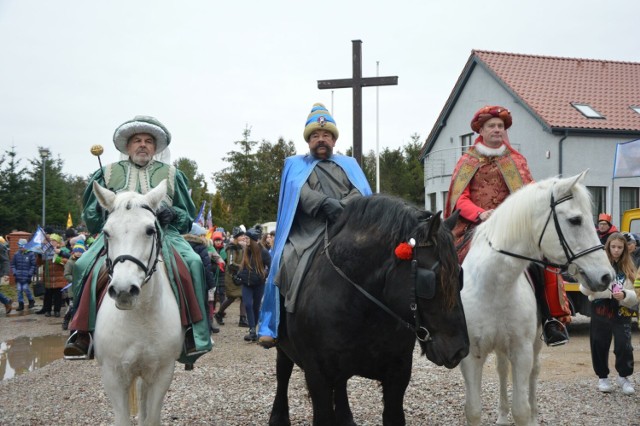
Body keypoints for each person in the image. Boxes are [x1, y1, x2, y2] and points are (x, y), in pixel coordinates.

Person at [64, 115, 212, 364]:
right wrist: (100, 212)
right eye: (137, 140)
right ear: (128, 146)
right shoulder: (107, 172)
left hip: (164, 233)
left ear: (155, 147)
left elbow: (186, 216)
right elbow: (90, 216)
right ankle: (82, 332)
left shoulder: (173, 174)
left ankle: (194, 333)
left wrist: (172, 213)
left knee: (194, 263)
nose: (142, 145)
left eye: (148, 141)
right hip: (118, 235)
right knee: (82, 265)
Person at [444, 105, 570, 346]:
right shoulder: (467, 161)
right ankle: (448, 320)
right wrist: (481, 214)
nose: (497, 130)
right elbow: (458, 198)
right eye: (492, 126)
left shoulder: (516, 161)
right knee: (449, 263)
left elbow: (529, 196)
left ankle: (551, 319)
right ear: (480, 130)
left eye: (501, 126)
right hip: (476, 227)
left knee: (543, 264)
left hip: (513, 230)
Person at [257, 103, 372, 348]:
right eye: (316, 136)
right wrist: (323, 204)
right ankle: (277, 325)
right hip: (309, 229)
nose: (321, 140)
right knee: (282, 259)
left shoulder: (349, 164)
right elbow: (298, 192)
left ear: (334, 139)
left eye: (326, 135)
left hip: (346, 225)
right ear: (309, 140)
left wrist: (342, 206)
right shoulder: (294, 164)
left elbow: (360, 192)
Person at [580, 232, 638, 394]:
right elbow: (583, 289)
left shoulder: (629, 267)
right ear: (608, 247)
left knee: (624, 345)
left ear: (625, 249)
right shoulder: (597, 265)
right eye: (613, 247)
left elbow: (635, 295)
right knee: (599, 343)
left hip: (622, 309)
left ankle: (623, 377)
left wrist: (625, 295)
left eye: (620, 247)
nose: (616, 250)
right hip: (601, 308)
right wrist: (590, 285)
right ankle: (603, 377)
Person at [237, 225, 271, 342]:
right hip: (246, 284)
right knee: (248, 304)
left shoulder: (264, 252)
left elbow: (271, 267)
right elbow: (243, 266)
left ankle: (254, 331)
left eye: (247, 239)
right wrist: (238, 275)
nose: (244, 240)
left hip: (259, 284)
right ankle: (252, 330)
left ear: (252, 240)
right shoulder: (245, 250)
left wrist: (264, 275)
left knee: (256, 307)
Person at [184, 223, 219, 334]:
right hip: (201, 283)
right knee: (204, 307)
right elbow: (206, 267)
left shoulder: (182, 246)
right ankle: (205, 332)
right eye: (203, 235)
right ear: (197, 235)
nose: (205, 237)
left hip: (186, 283)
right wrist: (212, 285)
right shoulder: (200, 246)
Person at [215, 226, 249, 327]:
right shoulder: (232, 248)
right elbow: (230, 263)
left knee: (243, 296)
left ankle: (242, 319)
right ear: (237, 236)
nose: (244, 237)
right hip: (232, 276)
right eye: (242, 235)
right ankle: (219, 314)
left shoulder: (240, 247)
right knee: (231, 297)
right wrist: (241, 267)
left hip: (238, 275)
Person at [36, 234, 68, 317]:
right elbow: (39, 263)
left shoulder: (62, 251)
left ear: (58, 243)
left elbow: (68, 261)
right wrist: (39, 256)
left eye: (54, 241)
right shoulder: (46, 252)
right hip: (48, 279)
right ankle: (48, 310)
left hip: (59, 278)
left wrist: (59, 259)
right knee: (48, 296)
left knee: (58, 296)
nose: (52, 242)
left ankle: (57, 311)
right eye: (50, 241)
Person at [62, 241, 85, 330]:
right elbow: (66, 274)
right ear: (74, 251)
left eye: (81, 251)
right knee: (72, 306)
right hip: (73, 288)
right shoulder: (70, 262)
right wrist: (75, 280)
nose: (79, 253)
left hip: (83, 287)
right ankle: (66, 320)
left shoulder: (84, 262)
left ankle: (77, 323)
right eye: (77, 251)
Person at [10, 238, 36, 311]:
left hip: (26, 276)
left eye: (23, 246)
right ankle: (20, 303)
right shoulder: (16, 254)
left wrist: (30, 274)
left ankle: (31, 300)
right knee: (19, 290)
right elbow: (13, 265)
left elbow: (33, 265)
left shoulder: (31, 254)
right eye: (20, 246)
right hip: (18, 276)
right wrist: (15, 272)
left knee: (25, 288)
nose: (21, 248)